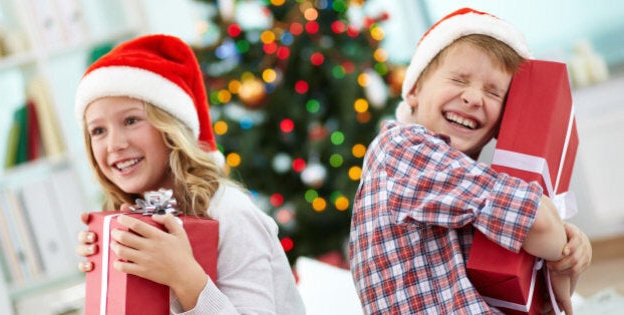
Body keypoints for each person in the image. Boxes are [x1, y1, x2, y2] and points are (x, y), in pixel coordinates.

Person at [348, 7, 591, 314]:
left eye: (493, 92)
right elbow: (539, 223)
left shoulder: (473, 185)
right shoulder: (402, 148)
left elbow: (541, 296)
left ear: (506, 119)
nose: (474, 98)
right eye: (459, 79)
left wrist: (568, 259)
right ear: (414, 90)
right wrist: (558, 240)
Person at [74, 34, 305, 314]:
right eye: (98, 130)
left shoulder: (229, 212)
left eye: (131, 120)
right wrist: (107, 280)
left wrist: (184, 278)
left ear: (171, 127)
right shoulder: (134, 217)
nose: (114, 144)